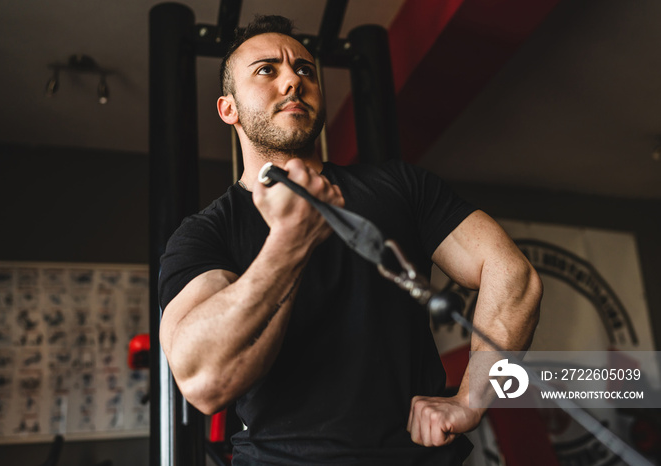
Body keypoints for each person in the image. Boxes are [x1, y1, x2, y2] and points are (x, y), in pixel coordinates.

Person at [158, 15, 542, 466]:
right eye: (266, 70)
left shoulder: (401, 187)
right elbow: (204, 381)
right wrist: (289, 243)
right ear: (229, 109)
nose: (292, 82)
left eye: (304, 70)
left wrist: (471, 400)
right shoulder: (205, 233)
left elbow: (514, 275)